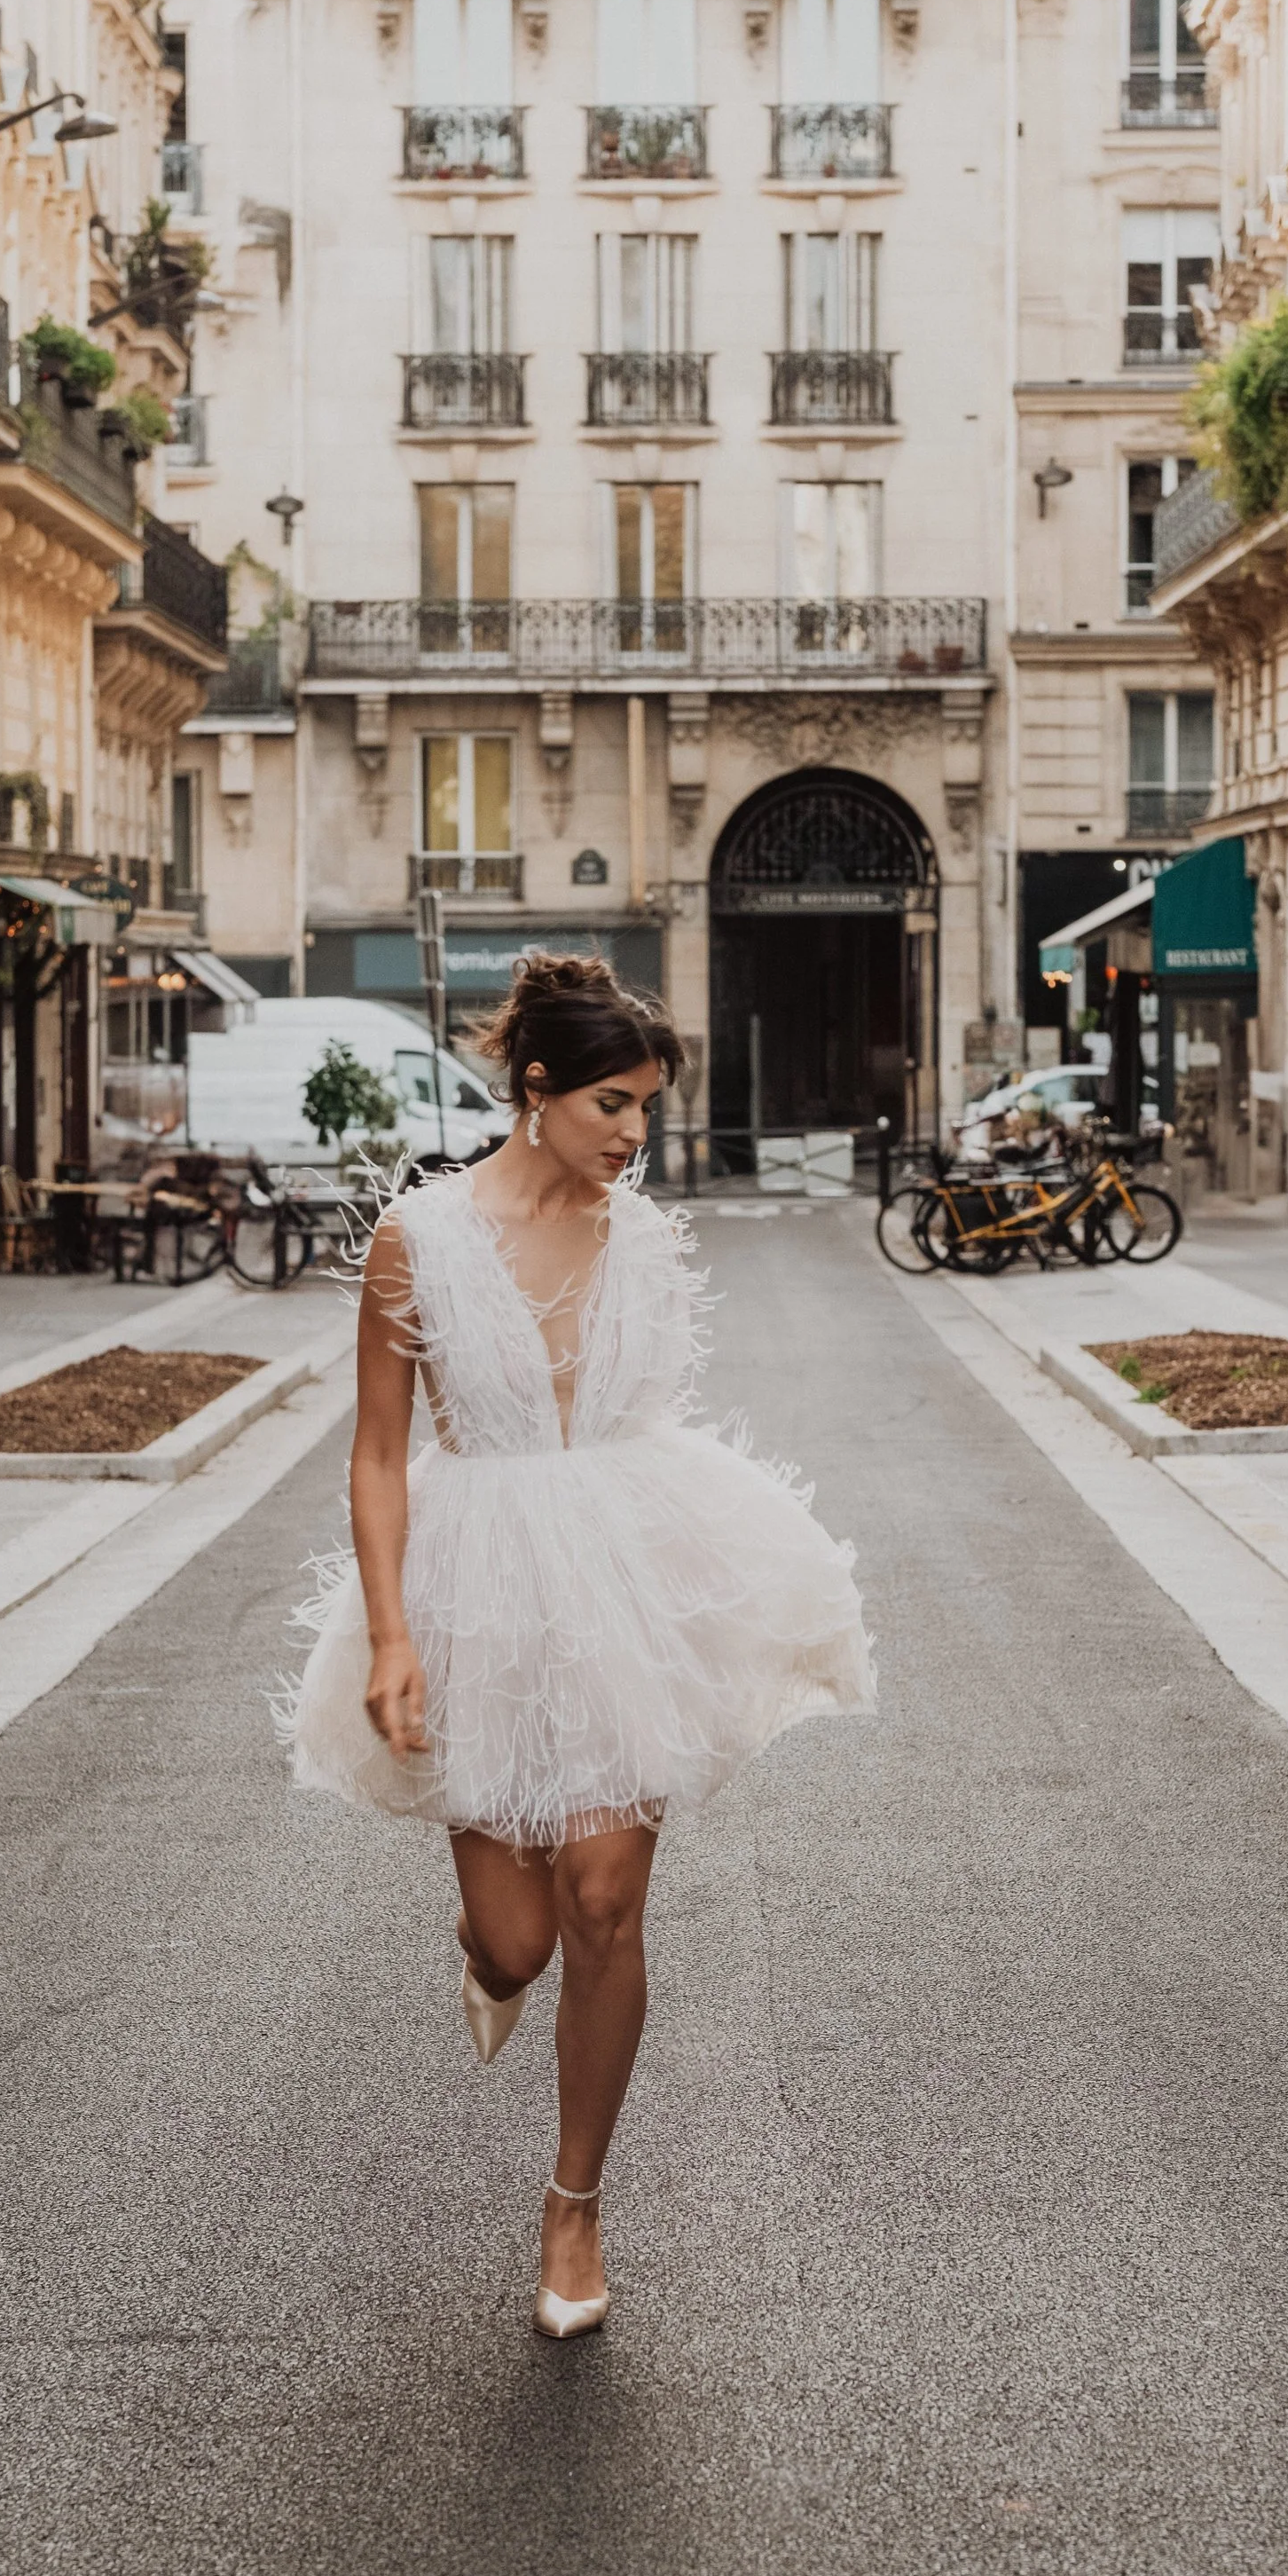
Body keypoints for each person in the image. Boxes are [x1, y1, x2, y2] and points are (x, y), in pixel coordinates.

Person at [281, 951, 874, 2341]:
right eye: (613, 1103)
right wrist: (388, 1634)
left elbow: (647, 1424)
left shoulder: (647, 1237)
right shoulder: (415, 1242)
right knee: (522, 1932)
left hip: (617, 1582)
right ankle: (486, 1960)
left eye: (649, 1111)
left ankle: (575, 2203)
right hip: (473, 1588)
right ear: (535, 1088)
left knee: (607, 1897)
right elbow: (377, 1455)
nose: (635, 1135)